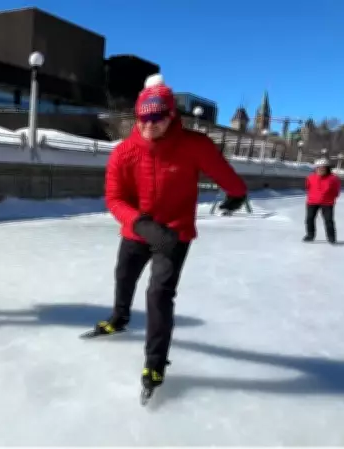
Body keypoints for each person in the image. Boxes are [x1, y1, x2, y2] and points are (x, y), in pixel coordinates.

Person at [89, 74, 248, 391]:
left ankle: (156, 362)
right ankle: (119, 318)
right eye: (144, 119)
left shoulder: (194, 145)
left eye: (158, 119)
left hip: (174, 234)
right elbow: (114, 198)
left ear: (171, 115)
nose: (150, 126)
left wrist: (236, 193)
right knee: (124, 275)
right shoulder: (123, 153)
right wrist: (141, 223)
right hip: (137, 230)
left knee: (159, 295)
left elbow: (223, 172)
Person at [303, 158, 341, 244]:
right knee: (309, 219)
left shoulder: (333, 179)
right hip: (312, 201)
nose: (320, 169)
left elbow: (336, 190)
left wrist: (331, 197)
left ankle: (331, 237)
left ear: (327, 169)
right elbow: (307, 187)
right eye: (318, 168)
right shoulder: (310, 177)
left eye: (323, 168)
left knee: (328, 220)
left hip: (327, 202)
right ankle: (310, 235)